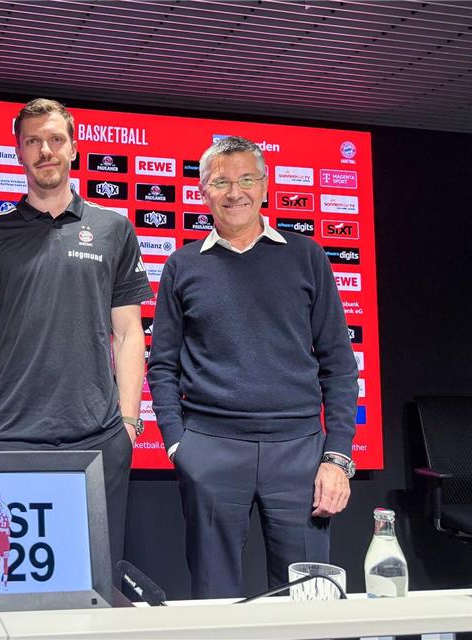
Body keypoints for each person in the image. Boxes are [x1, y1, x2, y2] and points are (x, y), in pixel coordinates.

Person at [146, 135, 358, 598]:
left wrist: (337, 457)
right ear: (203, 192)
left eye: (246, 178)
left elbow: (340, 367)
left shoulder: (307, 257)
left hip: (300, 452)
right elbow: (161, 366)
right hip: (211, 450)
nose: (234, 191)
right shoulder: (182, 266)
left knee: (308, 597)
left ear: (265, 187)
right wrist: (179, 446)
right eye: (220, 181)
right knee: (214, 596)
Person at [0, 98, 152, 570]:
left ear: (74, 148)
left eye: (55, 140)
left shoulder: (113, 229)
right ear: (19, 152)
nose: (46, 150)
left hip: (97, 439)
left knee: (95, 579)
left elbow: (128, 334)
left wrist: (127, 425)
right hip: (8, 438)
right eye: (34, 141)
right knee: (7, 580)